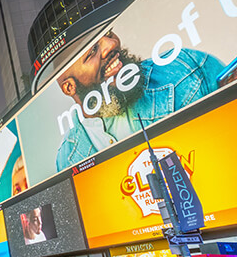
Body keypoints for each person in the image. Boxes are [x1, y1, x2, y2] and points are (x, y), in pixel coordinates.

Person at [53, 30, 225, 170]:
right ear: (69, 87)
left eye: (109, 33)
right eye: (91, 52)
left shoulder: (183, 65)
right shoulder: (68, 158)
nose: (111, 44)